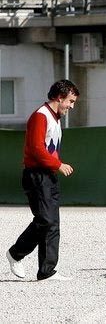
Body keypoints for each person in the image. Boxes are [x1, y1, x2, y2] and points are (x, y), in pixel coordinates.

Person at [6, 80, 79, 281]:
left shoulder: (55, 118)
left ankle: (47, 271)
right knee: (45, 220)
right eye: (70, 101)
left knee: (52, 223)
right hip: (36, 175)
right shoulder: (41, 116)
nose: (71, 106)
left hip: (48, 175)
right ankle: (15, 254)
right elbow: (36, 149)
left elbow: (49, 148)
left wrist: (55, 166)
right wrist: (58, 165)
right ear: (59, 97)